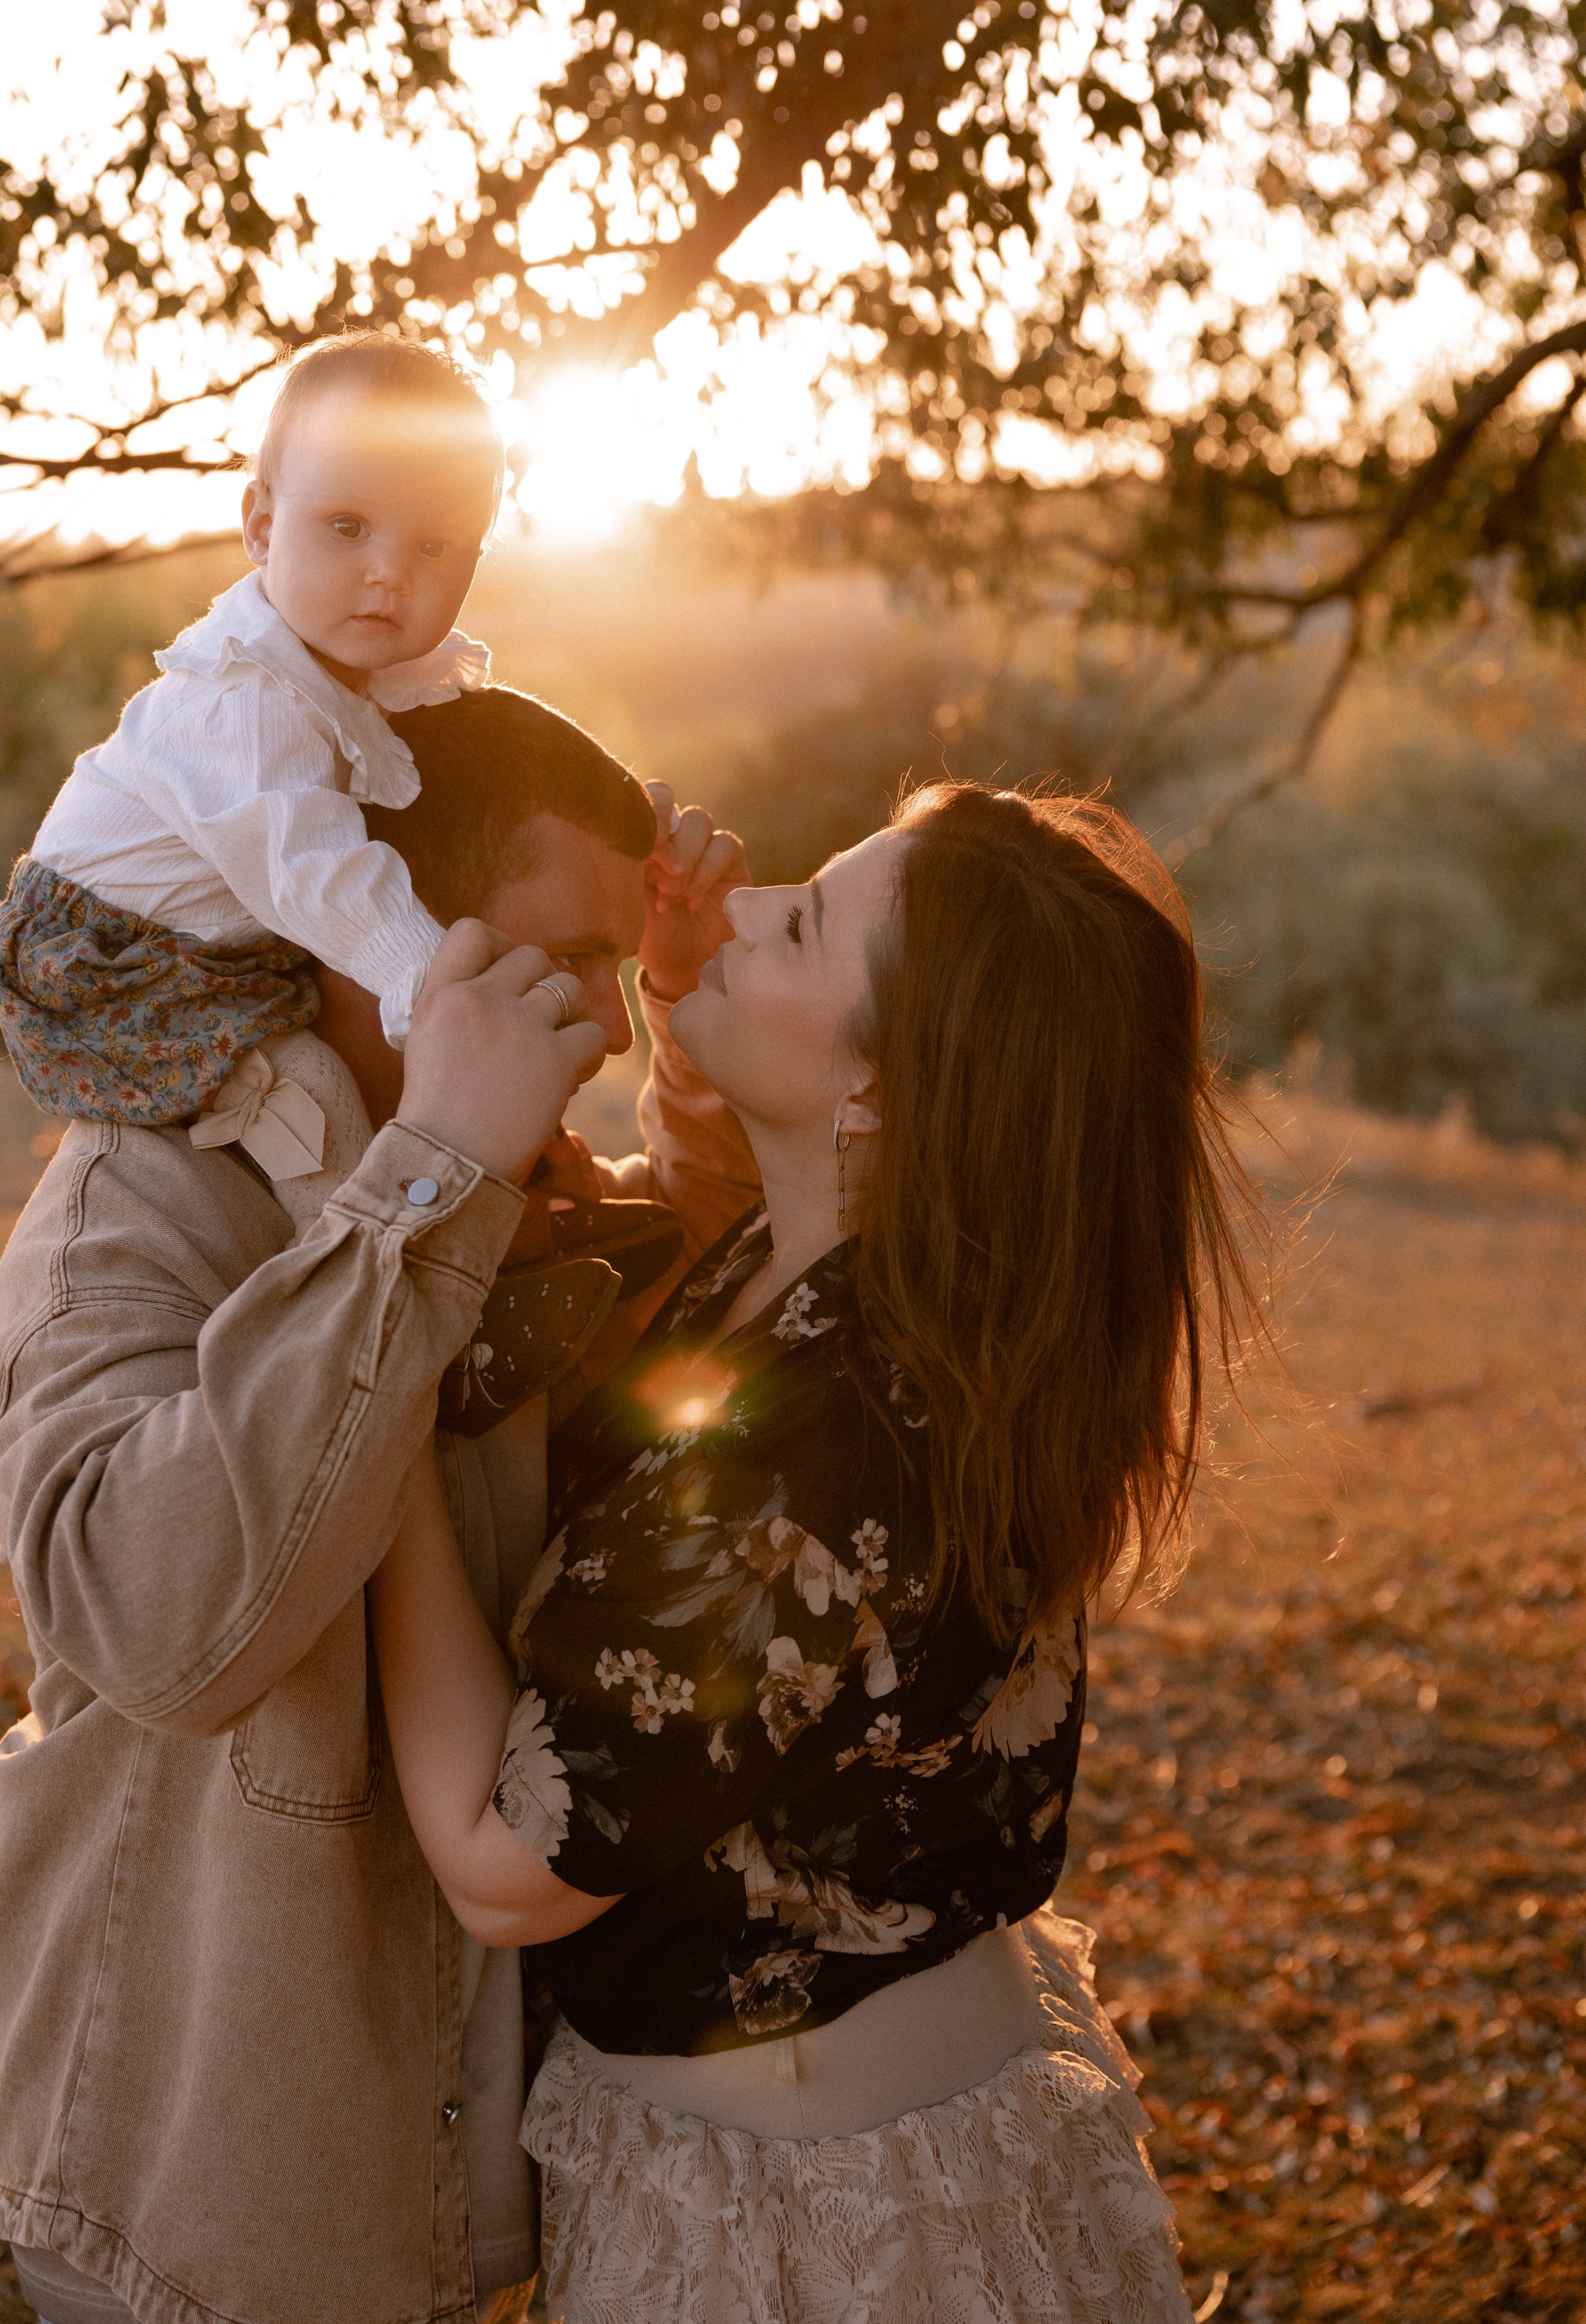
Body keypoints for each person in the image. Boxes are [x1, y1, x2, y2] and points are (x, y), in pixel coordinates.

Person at [369, 780, 1266, 2324]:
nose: (739, 897)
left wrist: (364, 1399)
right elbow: (731, 1201)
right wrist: (683, 987)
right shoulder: (861, 1268)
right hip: (840, 2111)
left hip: (819, 2225)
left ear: (875, 1087)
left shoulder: (828, 1437)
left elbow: (501, 1865)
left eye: (792, 922)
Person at [0, 690, 755, 2324]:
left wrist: (683, 1014)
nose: (600, 1032)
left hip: (462, 2174)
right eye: (569, 964)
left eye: (617, 977)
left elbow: (710, 1289)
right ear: (370, 923)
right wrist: (426, 1180)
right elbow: (166, 1634)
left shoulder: (514, 1189)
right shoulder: (134, 1203)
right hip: (211, 2199)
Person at [0, 333, 503, 1134]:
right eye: (346, 526)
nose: (388, 573)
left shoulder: (345, 672)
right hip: (110, 963)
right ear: (261, 525)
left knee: (339, 1069)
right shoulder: (249, 699)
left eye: (433, 545)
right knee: (314, 1100)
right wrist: (432, 978)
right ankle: (371, 1244)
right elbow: (316, 871)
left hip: (203, 946)